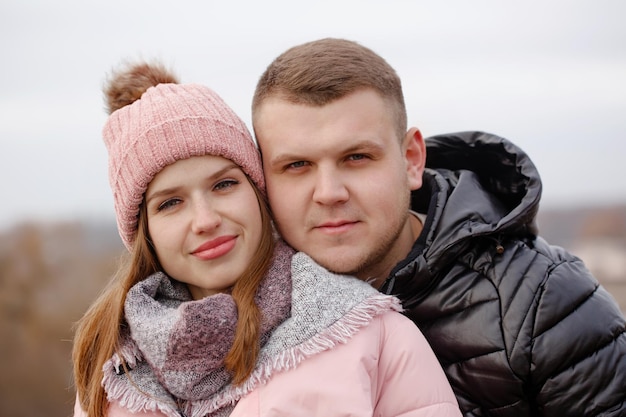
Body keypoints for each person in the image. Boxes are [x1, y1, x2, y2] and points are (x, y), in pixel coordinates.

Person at [251, 37, 626, 416]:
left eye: (357, 157)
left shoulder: (546, 304)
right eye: (297, 165)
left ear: (411, 159)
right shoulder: (238, 308)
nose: (329, 193)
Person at [71, 61, 461, 417]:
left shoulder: (370, 335)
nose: (205, 220)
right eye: (170, 203)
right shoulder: (116, 364)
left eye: (224, 184)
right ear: (144, 233)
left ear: (259, 194)